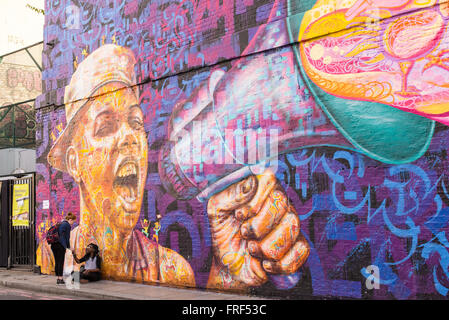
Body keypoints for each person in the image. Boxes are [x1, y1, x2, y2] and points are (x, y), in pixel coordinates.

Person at [51, 212, 76, 285]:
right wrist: (67, 247)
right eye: (73, 222)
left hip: (54, 245)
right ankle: (60, 279)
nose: (72, 224)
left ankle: (58, 278)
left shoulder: (61, 223)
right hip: (60, 246)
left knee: (57, 261)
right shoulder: (67, 225)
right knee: (61, 262)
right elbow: (66, 237)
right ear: (70, 219)